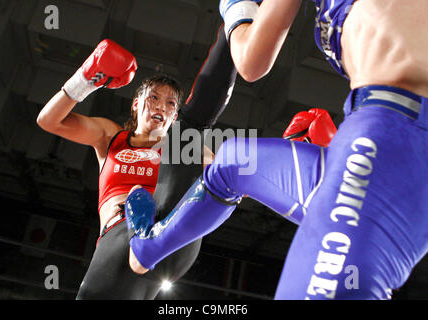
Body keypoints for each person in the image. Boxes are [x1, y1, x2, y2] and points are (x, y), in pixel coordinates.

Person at [125, 0, 427, 300]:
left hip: (392, 134)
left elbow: (251, 61)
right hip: (386, 140)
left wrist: (236, 7)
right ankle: (148, 247)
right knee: (235, 161)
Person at [36, 25, 237, 299]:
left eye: (170, 104)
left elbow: (227, 181)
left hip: (171, 235)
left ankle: (235, 29)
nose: (161, 107)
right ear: (136, 103)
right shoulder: (111, 136)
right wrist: (85, 80)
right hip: (117, 241)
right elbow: (48, 121)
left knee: (192, 137)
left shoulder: (182, 146)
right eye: (154, 97)